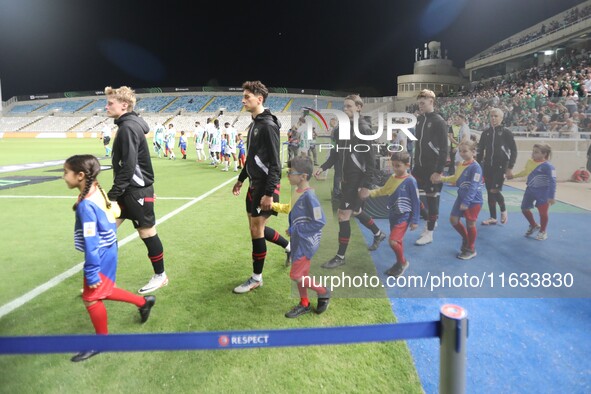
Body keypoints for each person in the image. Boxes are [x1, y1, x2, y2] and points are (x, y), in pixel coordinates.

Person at [63, 154, 155, 362]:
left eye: (65, 172)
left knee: (91, 297)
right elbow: (114, 211)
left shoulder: (87, 204)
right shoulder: (96, 189)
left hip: (100, 254)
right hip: (109, 249)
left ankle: (102, 341)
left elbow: (91, 241)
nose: (63, 176)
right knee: (103, 290)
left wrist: (91, 270)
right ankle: (144, 302)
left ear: (79, 176)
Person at [104, 86, 169, 294]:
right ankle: (104, 279)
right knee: (104, 230)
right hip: (130, 190)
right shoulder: (127, 125)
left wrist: (113, 195)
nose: (106, 106)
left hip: (135, 191)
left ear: (124, 105)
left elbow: (130, 166)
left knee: (147, 232)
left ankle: (160, 276)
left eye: (110, 103)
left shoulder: (128, 127)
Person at [314, 94, 386, 269]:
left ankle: (340, 256)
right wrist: (323, 167)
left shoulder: (364, 129)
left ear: (359, 107)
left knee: (343, 215)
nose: (346, 110)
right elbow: (336, 154)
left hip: (357, 180)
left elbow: (372, 160)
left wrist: (366, 185)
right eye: (344, 106)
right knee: (356, 210)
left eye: (349, 106)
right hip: (346, 178)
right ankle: (378, 233)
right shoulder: (340, 129)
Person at [231, 81, 291, 294]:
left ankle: (256, 278)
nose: (243, 100)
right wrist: (241, 179)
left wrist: (268, 194)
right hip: (254, 185)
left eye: (247, 97)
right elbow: (252, 158)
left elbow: (276, 163)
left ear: (260, 99)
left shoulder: (267, 125)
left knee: (257, 231)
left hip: (265, 187)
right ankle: (289, 247)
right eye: (244, 96)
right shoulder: (255, 122)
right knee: (256, 229)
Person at [272, 156, 330, 317]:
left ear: (303, 176)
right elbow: (297, 215)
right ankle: (304, 303)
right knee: (302, 275)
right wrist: (292, 228)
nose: (288, 175)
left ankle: (323, 291)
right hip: (299, 239)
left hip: (306, 242)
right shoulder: (298, 192)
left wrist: (297, 230)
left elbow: (319, 221)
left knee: (296, 275)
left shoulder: (309, 196)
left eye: (291, 172)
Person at [360, 151, 420, 277]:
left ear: (407, 165)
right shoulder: (393, 178)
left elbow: (416, 201)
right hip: (393, 215)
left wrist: (415, 220)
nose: (395, 168)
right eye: (393, 165)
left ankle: (403, 263)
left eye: (398, 166)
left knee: (393, 241)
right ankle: (399, 263)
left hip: (404, 216)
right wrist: (369, 193)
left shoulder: (410, 181)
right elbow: (383, 191)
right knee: (398, 241)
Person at [433, 140, 483, 260]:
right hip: (461, 197)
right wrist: (442, 179)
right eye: (460, 151)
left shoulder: (476, 167)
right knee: (453, 220)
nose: (462, 153)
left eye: (465, 151)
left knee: (470, 223)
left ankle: (471, 248)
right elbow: (456, 178)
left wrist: (466, 202)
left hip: (473, 200)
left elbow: (474, 186)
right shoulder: (461, 164)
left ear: (473, 152)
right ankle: (466, 238)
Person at [411, 89, 448, 246]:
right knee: (411, 191)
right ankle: (429, 218)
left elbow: (444, 149)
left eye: (423, 102)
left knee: (432, 199)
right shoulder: (419, 120)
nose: (420, 105)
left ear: (431, 102)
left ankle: (430, 233)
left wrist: (438, 171)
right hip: (418, 167)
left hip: (432, 167)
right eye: (419, 103)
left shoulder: (439, 121)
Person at [477, 107, 517, 226]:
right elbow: (480, 150)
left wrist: (510, 167)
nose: (493, 118)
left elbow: (514, 150)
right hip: (488, 166)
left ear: (501, 118)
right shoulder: (485, 133)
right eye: (491, 116)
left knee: (495, 190)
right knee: (489, 192)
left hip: (501, 166)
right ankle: (493, 217)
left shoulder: (506, 133)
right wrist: (478, 165)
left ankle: (503, 210)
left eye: (496, 116)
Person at [508, 143, 556, 241]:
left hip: (543, 193)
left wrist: (551, 196)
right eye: (533, 152)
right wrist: (514, 176)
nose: (533, 154)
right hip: (530, 190)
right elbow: (525, 172)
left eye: (536, 152)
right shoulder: (530, 162)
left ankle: (543, 231)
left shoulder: (549, 166)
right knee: (524, 208)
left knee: (543, 213)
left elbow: (553, 181)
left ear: (544, 154)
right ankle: (533, 225)